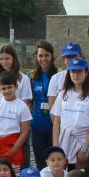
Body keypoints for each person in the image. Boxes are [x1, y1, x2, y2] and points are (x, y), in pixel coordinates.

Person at [51, 57, 89, 169]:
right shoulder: (63, 94)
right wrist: (56, 146)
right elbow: (56, 120)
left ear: (86, 72)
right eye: (73, 71)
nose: (76, 74)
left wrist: (84, 148)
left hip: (82, 142)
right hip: (63, 141)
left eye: (79, 71)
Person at [0, 71, 31, 170]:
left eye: (10, 87)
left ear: (16, 87)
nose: (7, 91)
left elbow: (25, 132)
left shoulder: (22, 106)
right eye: (3, 88)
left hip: (12, 147)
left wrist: (13, 150)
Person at [29, 41, 57, 169]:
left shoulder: (59, 75)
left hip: (55, 126)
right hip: (37, 126)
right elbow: (28, 101)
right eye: (40, 55)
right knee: (40, 163)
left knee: (55, 162)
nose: (43, 58)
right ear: (36, 57)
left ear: (52, 56)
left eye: (46, 55)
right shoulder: (32, 76)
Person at [0, 44, 32, 109]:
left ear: (14, 58)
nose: (4, 62)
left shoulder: (24, 79)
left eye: (7, 58)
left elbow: (25, 102)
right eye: (1, 59)